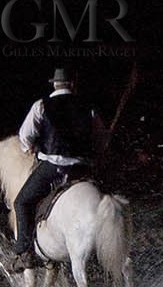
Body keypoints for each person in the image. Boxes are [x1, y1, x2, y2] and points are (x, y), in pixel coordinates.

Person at [11, 68, 103, 270]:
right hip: (81, 168)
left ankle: (24, 252)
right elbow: (99, 139)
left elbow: (25, 136)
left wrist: (29, 148)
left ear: (54, 84)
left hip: (52, 167)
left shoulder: (41, 105)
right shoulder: (89, 108)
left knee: (22, 202)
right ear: (72, 84)